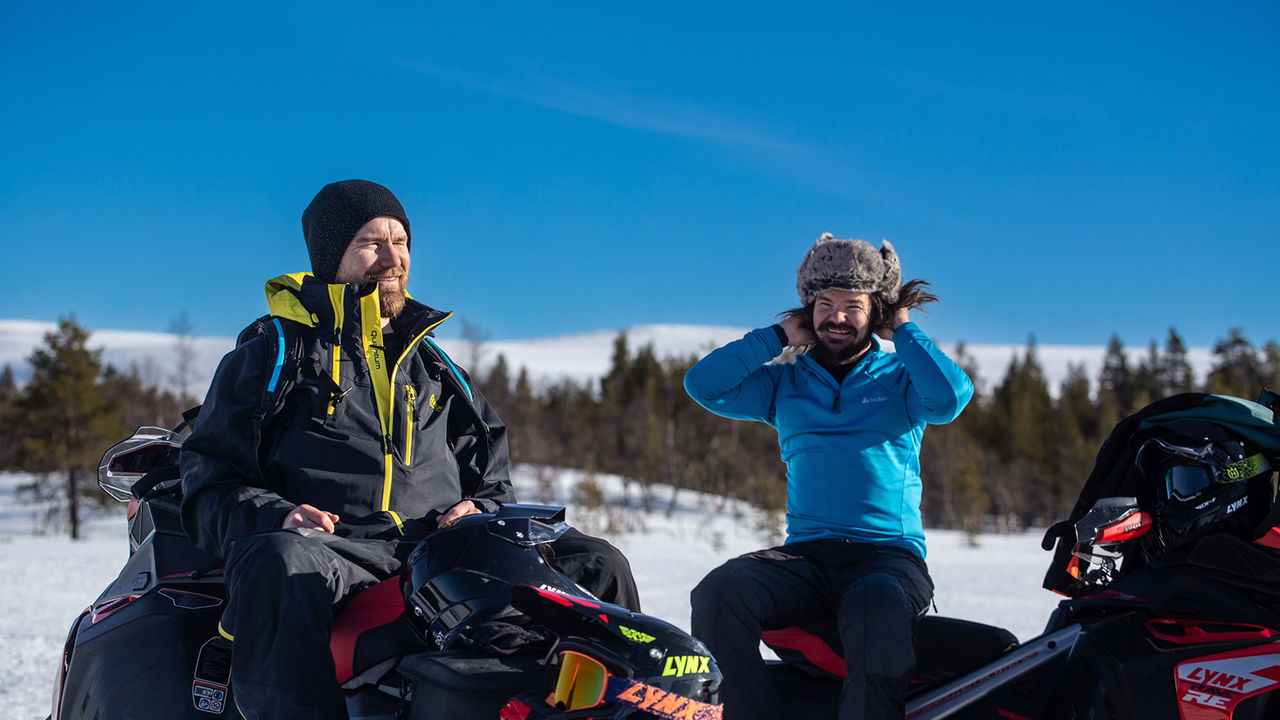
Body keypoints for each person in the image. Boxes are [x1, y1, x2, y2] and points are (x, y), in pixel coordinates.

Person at [180, 179, 639, 720]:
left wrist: (482, 509)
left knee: (598, 562)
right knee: (277, 560)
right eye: (370, 243)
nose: (392, 258)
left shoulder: (438, 368)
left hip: (440, 549)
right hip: (335, 548)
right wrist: (279, 514)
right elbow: (210, 483)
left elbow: (492, 478)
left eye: (401, 242)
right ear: (332, 256)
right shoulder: (273, 356)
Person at [684, 233, 974, 720]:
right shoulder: (786, 382)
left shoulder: (902, 379)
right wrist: (777, 337)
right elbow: (704, 385)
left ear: (874, 312)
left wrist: (901, 327)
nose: (836, 317)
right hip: (805, 557)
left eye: (853, 305)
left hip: (888, 558)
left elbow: (948, 400)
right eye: (824, 303)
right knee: (719, 590)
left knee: (874, 604)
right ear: (807, 308)